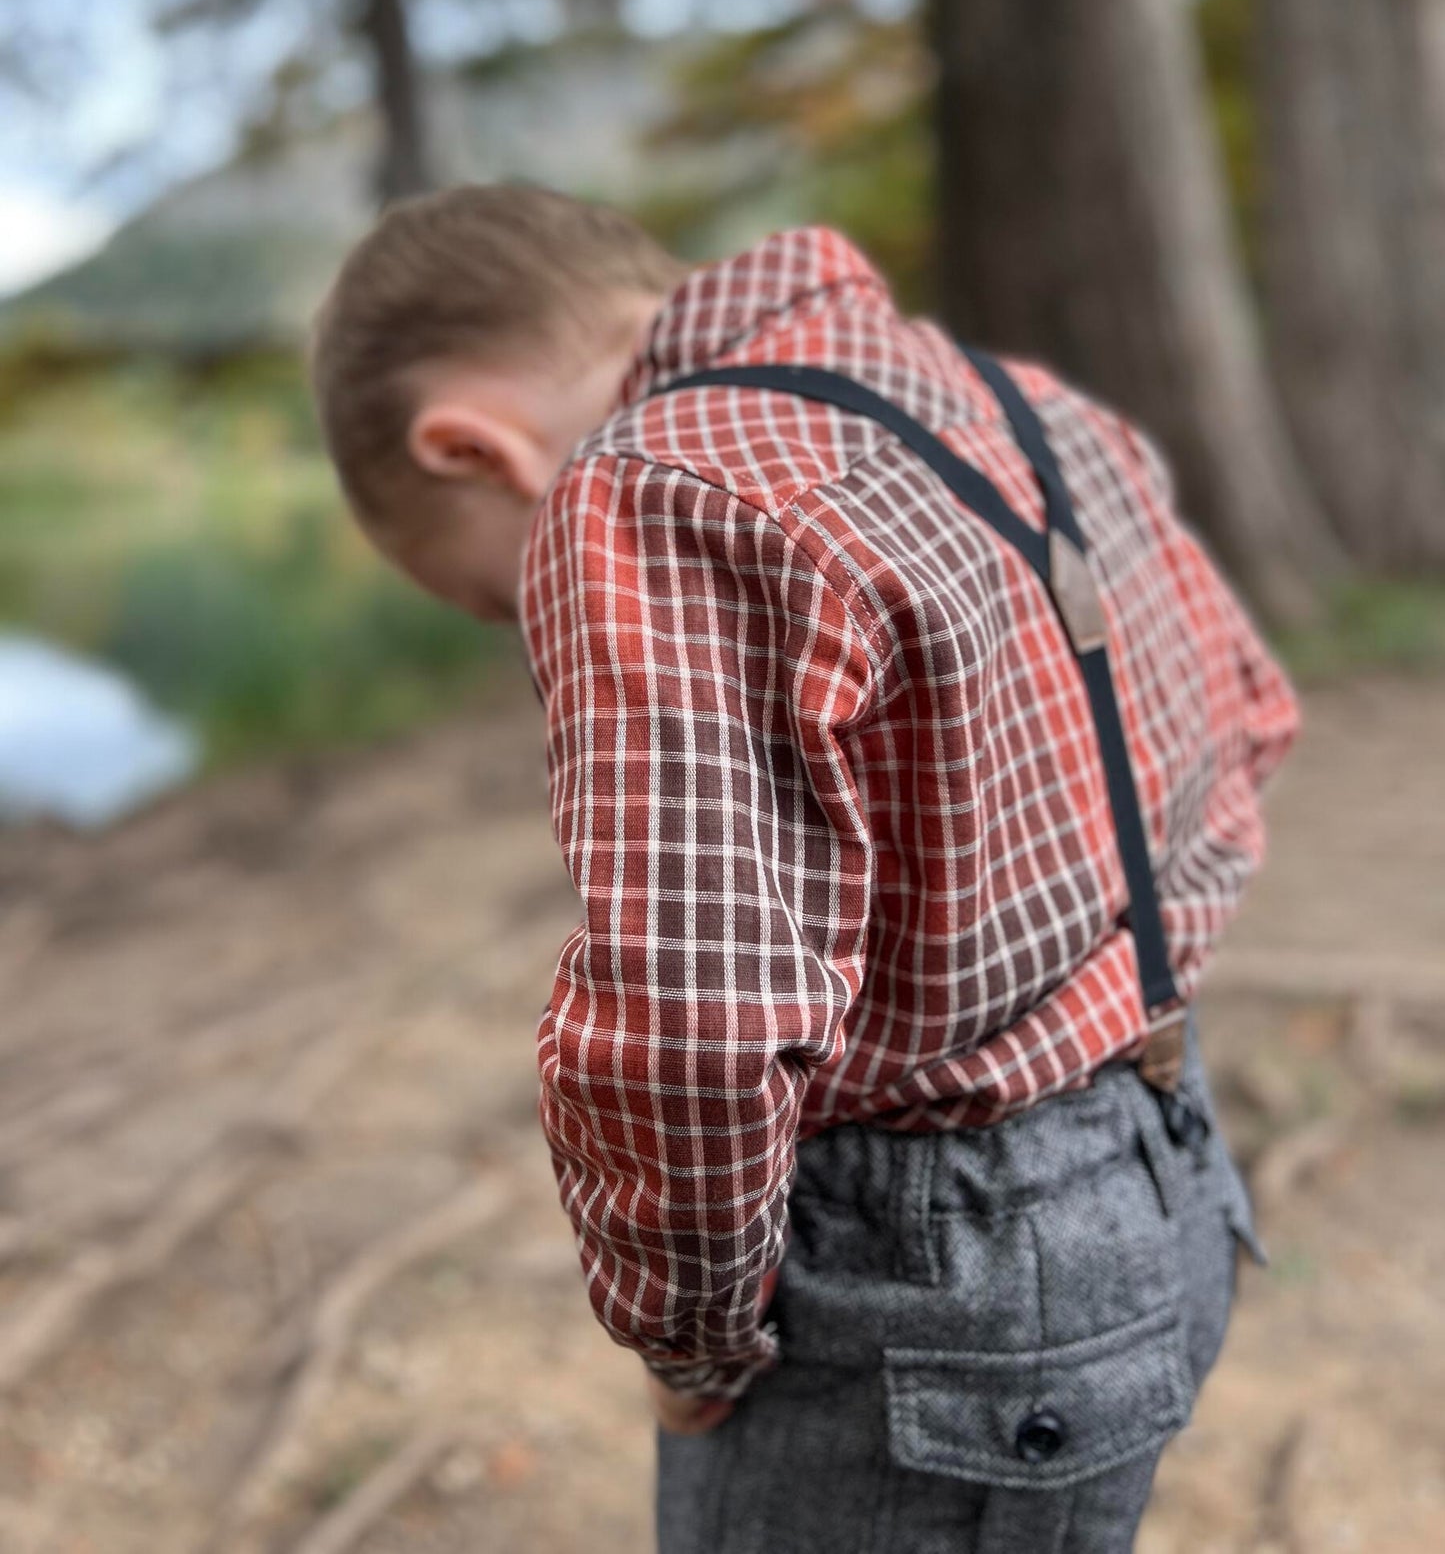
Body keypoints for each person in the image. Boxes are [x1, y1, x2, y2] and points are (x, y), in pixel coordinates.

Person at [308, 182, 1300, 1554]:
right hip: (1167, 1183)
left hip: (929, 1292)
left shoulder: (651, 486)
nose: (516, 622)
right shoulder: (1026, 406)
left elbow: (690, 1028)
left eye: (492, 596)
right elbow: (1250, 714)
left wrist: (690, 1338)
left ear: (470, 449)